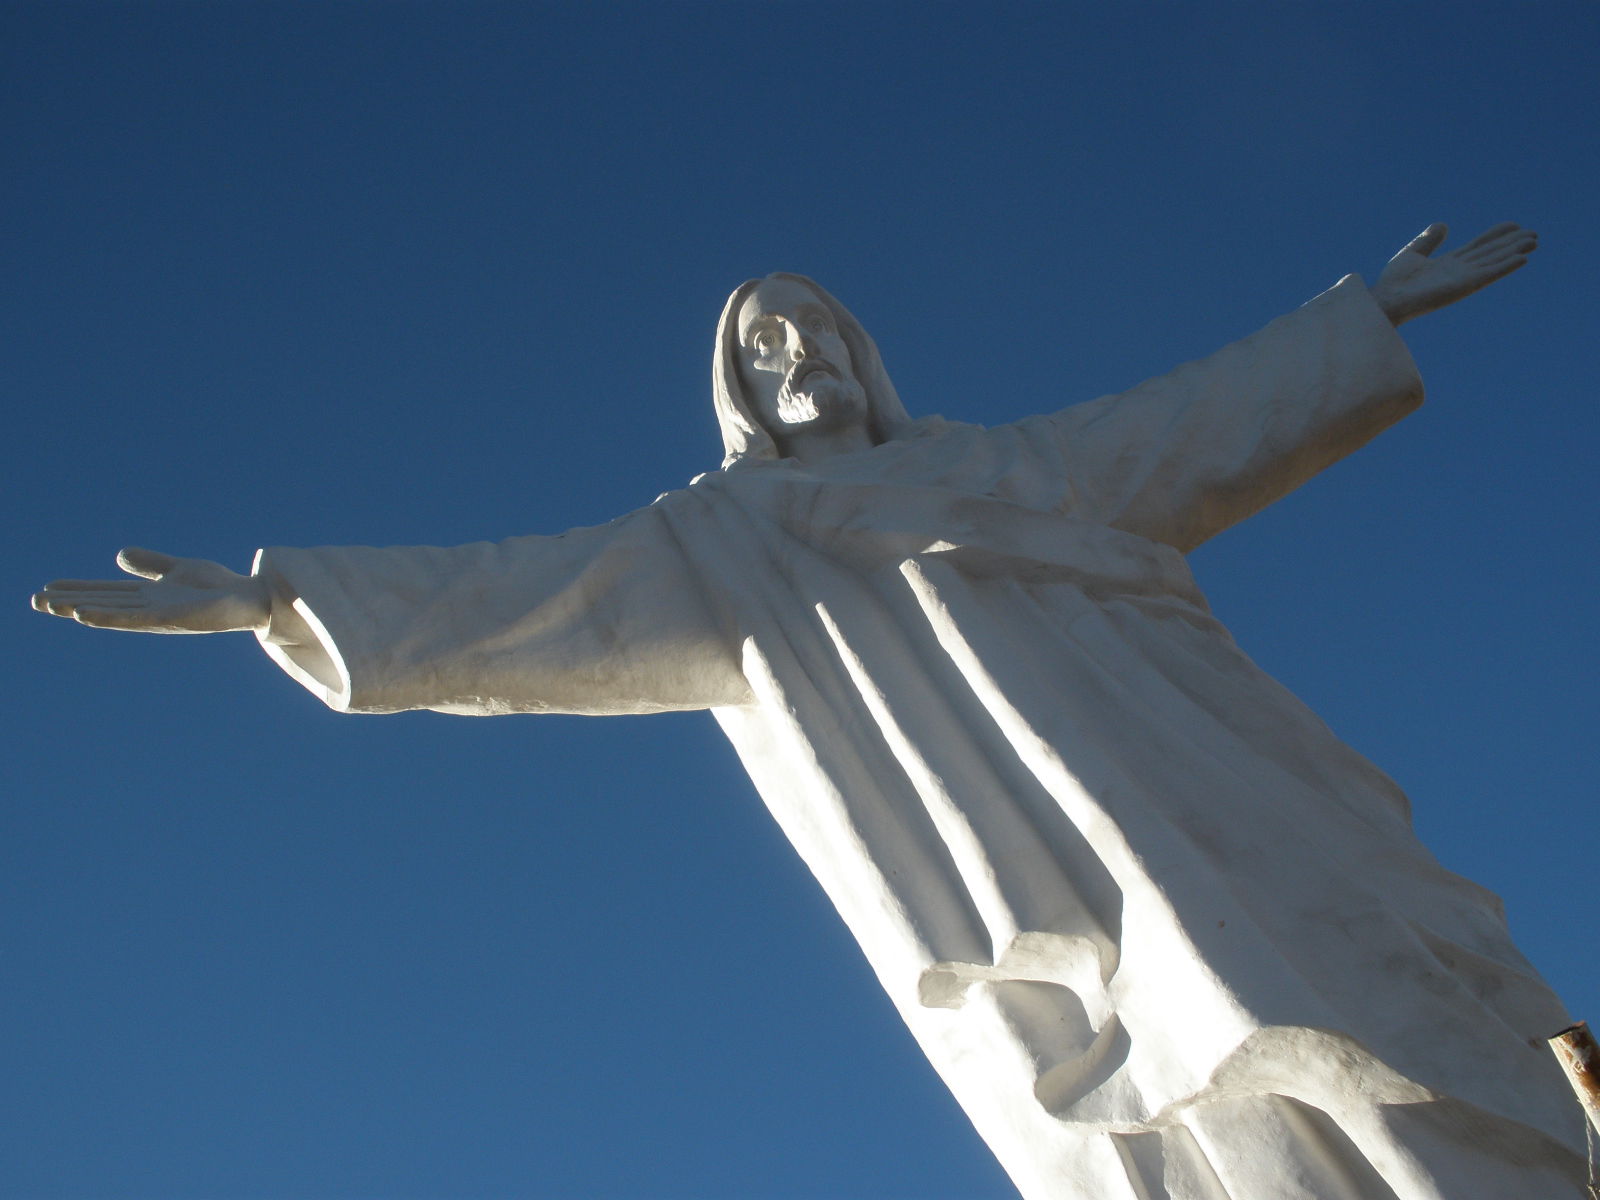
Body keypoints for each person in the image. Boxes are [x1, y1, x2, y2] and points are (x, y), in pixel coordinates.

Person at [35, 223, 1589, 1199]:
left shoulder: (1017, 466)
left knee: (1374, 984)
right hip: (1047, 875)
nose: (803, 354)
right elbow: (514, 595)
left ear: (864, 357)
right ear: (735, 385)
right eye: (766, 342)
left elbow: (1194, 416)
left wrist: (1361, 315)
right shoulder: (715, 545)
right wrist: (284, 599)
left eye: (822, 330)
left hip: (1222, 791)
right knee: (1203, 1065)